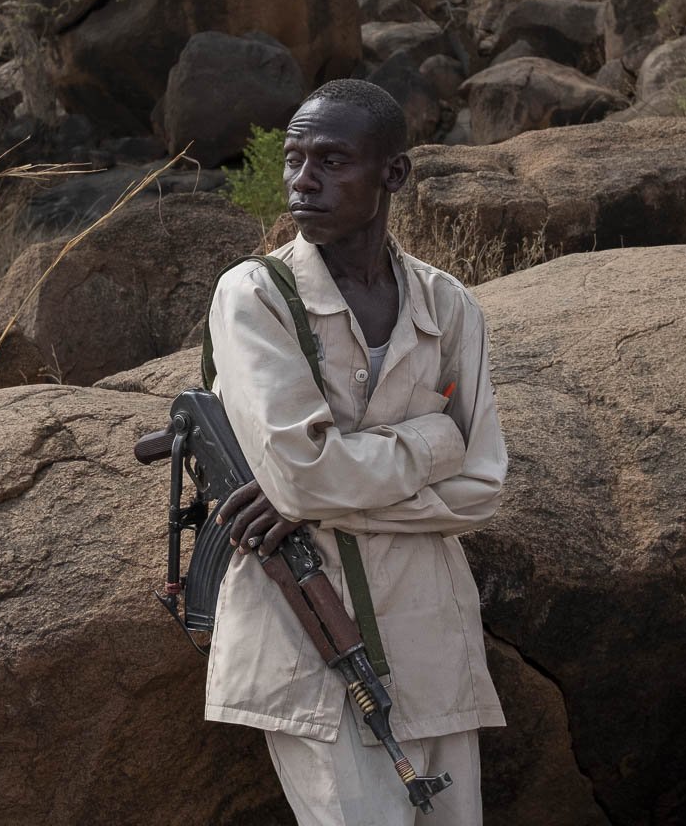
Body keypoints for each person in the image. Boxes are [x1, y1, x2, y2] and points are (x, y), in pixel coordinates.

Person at [204, 78, 508, 825]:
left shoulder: (448, 303)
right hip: (307, 630)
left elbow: (484, 486)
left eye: (333, 161)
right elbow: (304, 478)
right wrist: (433, 440)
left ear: (393, 174)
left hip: (435, 642)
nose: (304, 180)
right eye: (295, 158)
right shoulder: (254, 294)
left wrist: (326, 496)